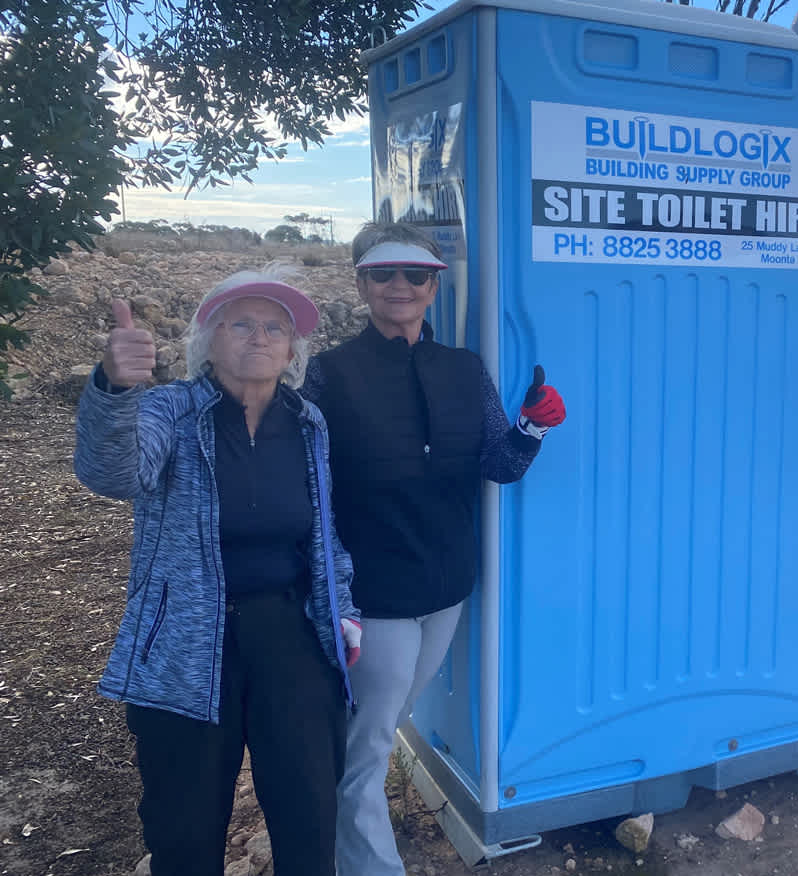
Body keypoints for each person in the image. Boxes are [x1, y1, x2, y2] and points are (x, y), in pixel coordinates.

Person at [74, 266, 361, 876]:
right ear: (209, 338)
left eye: (275, 328)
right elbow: (114, 474)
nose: (260, 338)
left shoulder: (309, 423)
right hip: (185, 641)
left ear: (292, 349)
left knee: (310, 816)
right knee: (184, 826)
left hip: (292, 634)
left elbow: (323, 531)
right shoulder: (167, 411)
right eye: (241, 324)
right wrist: (114, 390)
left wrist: (344, 612)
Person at [301, 222, 566, 876]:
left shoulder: (463, 369)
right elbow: (307, 491)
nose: (400, 286)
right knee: (366, 746)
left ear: (432, 286)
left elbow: (498, 465)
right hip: (373, 592)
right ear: (361, 281)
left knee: (383, 724)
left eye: (414, 275)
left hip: (448, 585)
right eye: (383, 273)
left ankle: (334, 836)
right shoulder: (327, 375)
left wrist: (532, 426)